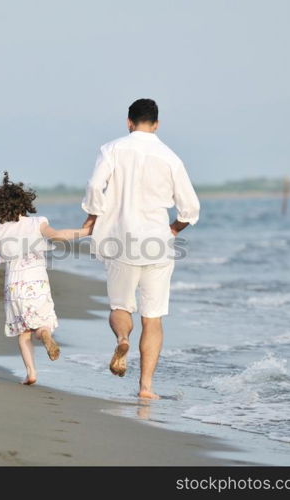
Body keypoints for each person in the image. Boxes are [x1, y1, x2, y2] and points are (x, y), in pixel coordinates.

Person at [81, 98, 200, 399]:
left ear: (128, 122)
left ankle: (123, 338)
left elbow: (96, 186)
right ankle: (146, 387)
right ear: (157, 124)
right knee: (153, 316)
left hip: (120, 239)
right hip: (158, 242)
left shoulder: (112, 149)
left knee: (121, 306)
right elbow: (191, 208)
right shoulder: (170, 157)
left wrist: (93, 215)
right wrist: (173, 229)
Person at [0, 172, 91, 385]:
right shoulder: (37, 223)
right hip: (38, 282)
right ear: (25, 203)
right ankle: (46, 335)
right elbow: (57, 235)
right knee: (42, 324)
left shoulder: (0, 230)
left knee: (24, 333)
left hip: (15, 286)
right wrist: (85, 231)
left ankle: (31, 373)